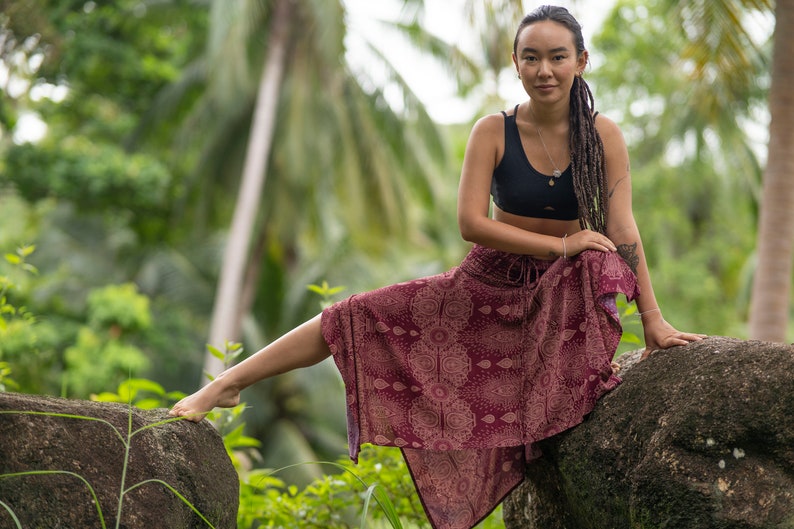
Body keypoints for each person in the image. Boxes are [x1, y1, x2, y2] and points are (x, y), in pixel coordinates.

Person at [170, 5, 706, 529]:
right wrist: (561, 246)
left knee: (601, 265)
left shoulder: (602, 133)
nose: (545, 70)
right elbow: (471, 223)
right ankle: (229, 383)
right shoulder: (491, 131)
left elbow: (624, 229)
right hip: (490, 280)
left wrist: (653, 320)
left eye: (558, 57)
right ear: (514, 62)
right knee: (356, 316)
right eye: (532, 58)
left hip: (561, 292)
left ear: (581, 62)